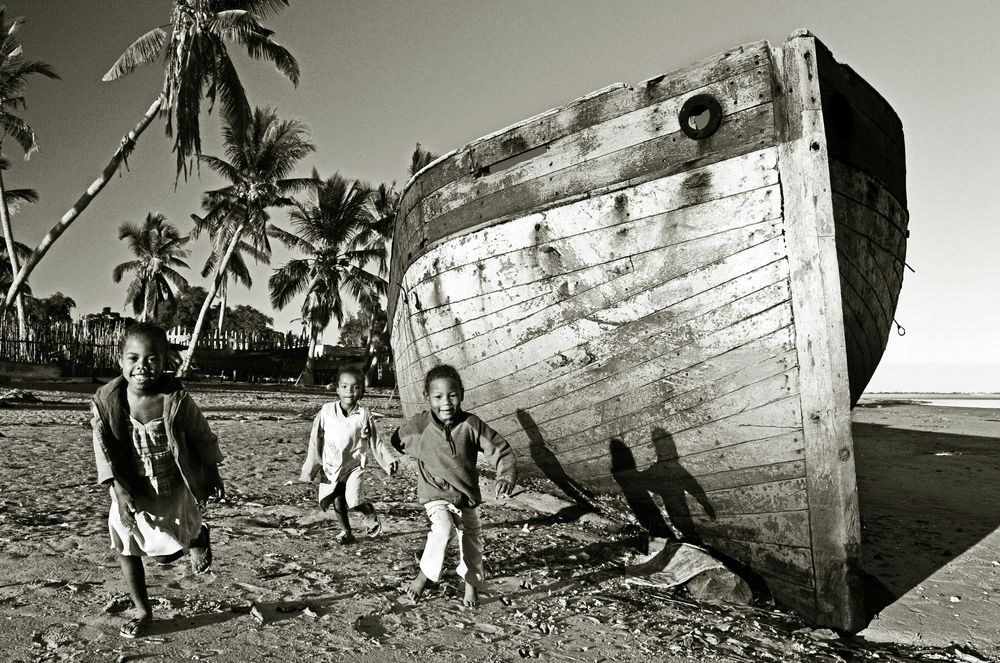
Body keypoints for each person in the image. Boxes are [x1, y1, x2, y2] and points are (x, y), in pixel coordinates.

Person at [91, 322, 224, 639]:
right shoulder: (107, 401)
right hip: (129, 488)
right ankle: (143, 611)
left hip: (171, 486)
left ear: (165, 362)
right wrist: (117, 490)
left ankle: (196, 538)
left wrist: (213, 471)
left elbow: (202, 436)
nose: (141, 367)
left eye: (151, 359)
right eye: (133, 358)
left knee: (165, 555)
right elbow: (102, 448)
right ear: (120, 360)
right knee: (127, 547)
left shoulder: (175, 400)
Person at [391, 364, 516, 607]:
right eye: (438, 397)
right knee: (444, 530)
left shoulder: (471, 424)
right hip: (435, 494)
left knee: (471, 542)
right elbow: (398, 440)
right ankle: (423, 577)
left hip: (466, 496)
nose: (446, 403)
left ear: (462, 394)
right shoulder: (421, 425)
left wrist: (505, 476)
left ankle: (470, 586)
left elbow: (499, 449)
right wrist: (423, 455)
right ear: (427, 398)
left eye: (452, 395)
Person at [300, 367, 397, 544]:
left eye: (355, 387)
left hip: (354, 466)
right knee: (337, 502)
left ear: (362, 391)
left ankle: (368, 511)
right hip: (331, 466)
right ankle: (347, 532)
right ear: (337, 389)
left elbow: (375, 440)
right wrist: (312, 464)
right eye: (344, 386)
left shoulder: (363, 415)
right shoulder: (326, 411)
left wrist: (388, 459)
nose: (349, 392)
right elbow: (315, 437)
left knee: (353, 501)